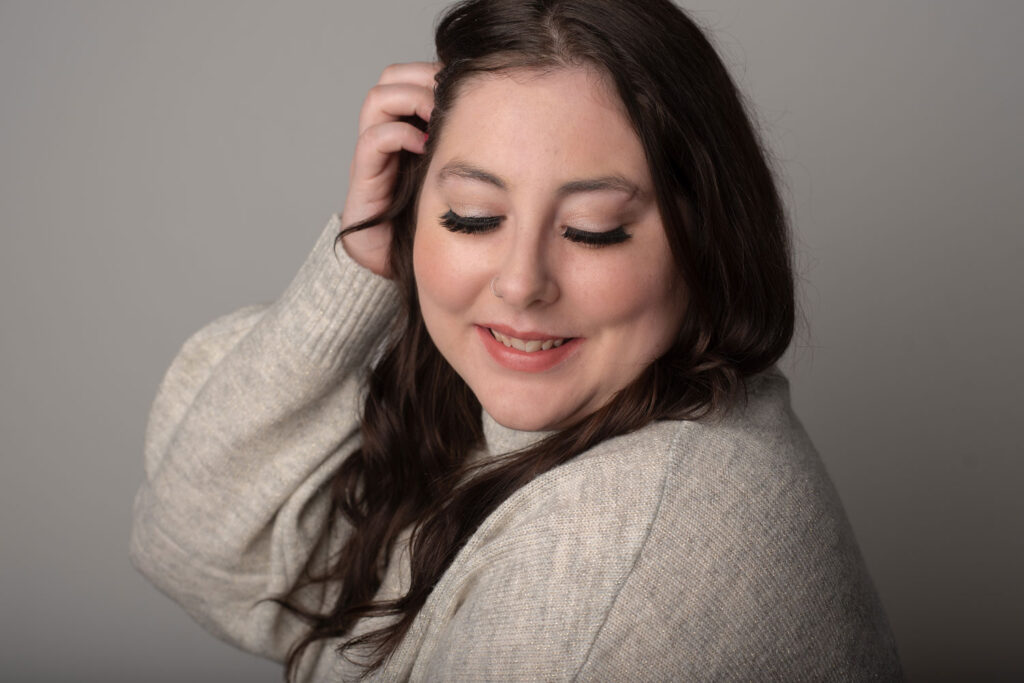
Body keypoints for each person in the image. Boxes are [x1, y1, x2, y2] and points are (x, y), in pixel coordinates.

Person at [130, 0, 903, 680]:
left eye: (593, 230)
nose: (521, 282)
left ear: (703, 239)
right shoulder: (493, 425)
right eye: (472, 217)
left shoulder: (602, 552)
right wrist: (362, 257)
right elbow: (196, 547)